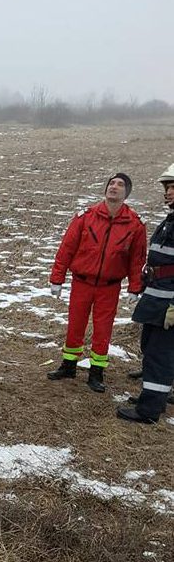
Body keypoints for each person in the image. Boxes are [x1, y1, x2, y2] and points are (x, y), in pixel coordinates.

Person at [48, 173, 147, 392]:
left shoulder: (135, 224)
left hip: (109, 287)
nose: (114, 187)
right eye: (111, 183)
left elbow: (137, 259)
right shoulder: (85, 216)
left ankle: (96, 372)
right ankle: (68, 365)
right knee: (75, 324)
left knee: (103, 329)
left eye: (120, 185)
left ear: (126, 193)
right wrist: (57, 278)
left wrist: (134, 286)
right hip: (82, 282)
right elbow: (66, 249)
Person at [117, 163, 174, 423]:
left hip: (168, 304)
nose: (168, 192)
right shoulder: (171, 219)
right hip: (157, 299)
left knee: (159, 355)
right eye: (167, 187)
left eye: (173, 188)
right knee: (150, 348)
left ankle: (149, 410)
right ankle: (156, 397)